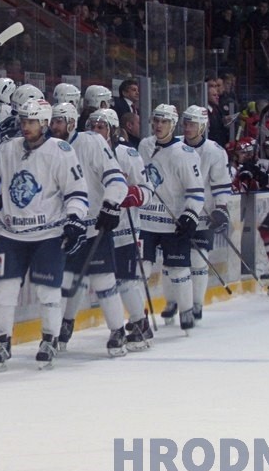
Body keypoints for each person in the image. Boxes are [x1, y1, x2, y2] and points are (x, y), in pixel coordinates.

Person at [0, 99, 89, 371]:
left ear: (44, 123)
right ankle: (2, 342)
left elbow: (77, 191)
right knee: (2, 289)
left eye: (32, 121)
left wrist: (75, 218)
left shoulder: (60, 151)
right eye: (23, 121)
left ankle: (49, 340)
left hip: (48, 235)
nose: (26, 126)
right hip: (11, 235)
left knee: (48, 291)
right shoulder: (8, 149)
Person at [49, 102, 129, 357]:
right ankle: (56, 330)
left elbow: (116, 179)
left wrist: (111, 205)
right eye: (52, 121)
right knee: (63, 281)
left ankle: (117, 330)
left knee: (103, 280)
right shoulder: (47, 147)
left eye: (59, 121)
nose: (53, 126)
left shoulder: (92, 142)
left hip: (93, 226)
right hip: (64, 228)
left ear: (72, 123)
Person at [88, 108, 155, 349]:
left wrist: (132, 195)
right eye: (92, 127)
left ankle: (139, 322)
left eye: (101, 127)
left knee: (125, 281)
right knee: (102, 282)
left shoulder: (128, 154)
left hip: (125, 229)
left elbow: (147, 190)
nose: (95, 131)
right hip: (97, 229)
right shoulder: (83, 151)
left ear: (113, 130)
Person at [138, 104, 205, 331]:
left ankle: (186, 310)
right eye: (156, 121)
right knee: (140, 269)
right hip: (145, 221)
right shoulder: (144, 145)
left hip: (172, 223)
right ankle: (138, 317)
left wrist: (190, 215)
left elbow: (196, 190)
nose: (158, 125)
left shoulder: (185, 153)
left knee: (177, 269)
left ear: (173, 124)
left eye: (164, 121)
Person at [179, 105, 233, 323]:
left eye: (192, 124)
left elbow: (221, 183)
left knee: (198, 258)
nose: (187, 128)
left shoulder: (214, 151)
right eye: (185, 123)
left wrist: (221, 207)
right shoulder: (175, 146)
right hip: (179, 213)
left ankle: (197, 304)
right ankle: (176, 303)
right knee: (176, 263)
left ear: (202, 126)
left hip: (203, 214)